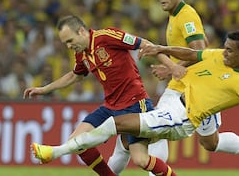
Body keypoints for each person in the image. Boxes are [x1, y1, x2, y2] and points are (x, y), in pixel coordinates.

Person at [31, 30, 239, 176]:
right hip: (175, 104)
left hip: (183, 120)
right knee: (133, 146)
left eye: (230, 51)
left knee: (114, 127)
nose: (224, 53)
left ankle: (56, 151)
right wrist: (161, 49)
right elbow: (190, 54)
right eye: (225, 48)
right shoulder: (218, 57)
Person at [109, 0, 239, 175]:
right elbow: (200, 46)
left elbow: (198, 48)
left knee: (157, 130)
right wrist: (170, 67)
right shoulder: (175, 16)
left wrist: (172, 67)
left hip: (191, 86)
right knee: (210, 142)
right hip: (193, 84)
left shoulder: (186, 15)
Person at [24, 15, 183, 176]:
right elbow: (75, 75)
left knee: (141, 160)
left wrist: (172, 66)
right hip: (110, 106)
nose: (69, 46)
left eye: (70, 41)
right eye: (66, 43)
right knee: (76, 142)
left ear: (81, 31)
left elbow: (145, 44)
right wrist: (45, 89)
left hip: (135, 104)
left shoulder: (106, 37)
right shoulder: (82, 54)